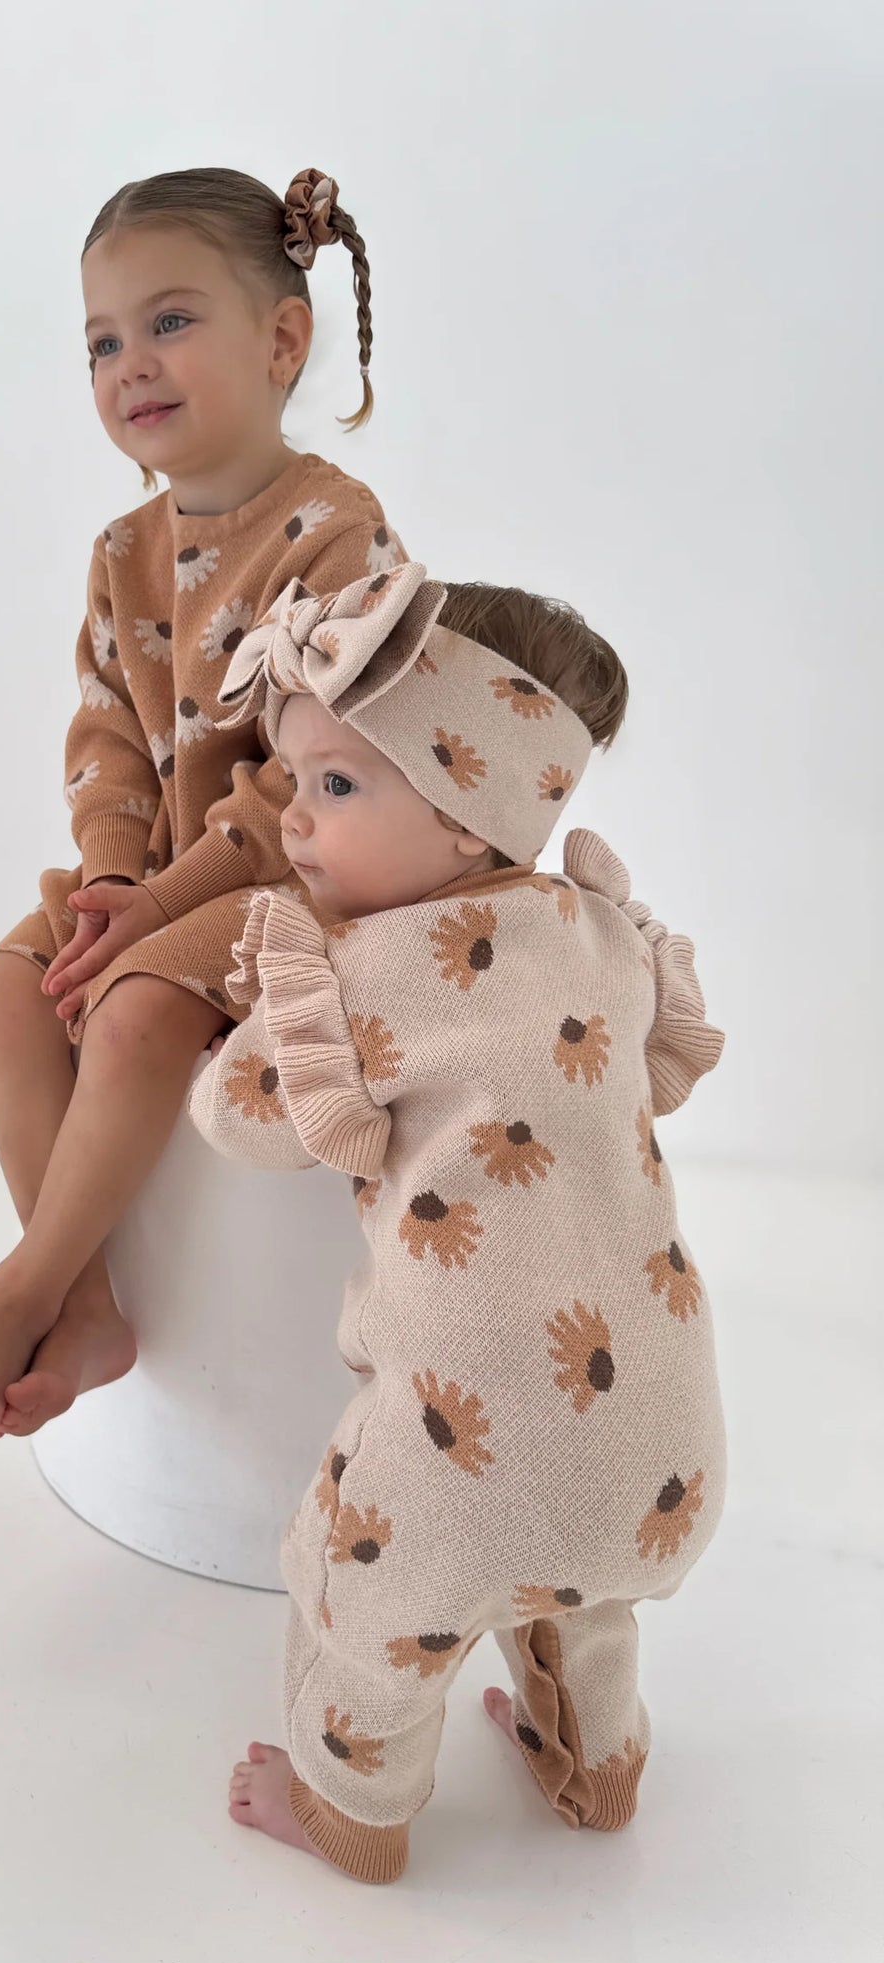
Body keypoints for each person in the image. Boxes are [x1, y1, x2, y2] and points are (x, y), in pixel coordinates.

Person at [189, 562, 725, 1882]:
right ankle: (599, 1765)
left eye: (336, 784)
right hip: (665, 1437)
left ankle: (350, 1812)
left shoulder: (368, 972)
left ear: (473, 817)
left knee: (363, 1603)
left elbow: (239, 1116)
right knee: (588, 1598)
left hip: (461, 1443)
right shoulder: (604, 937)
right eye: (296, 776)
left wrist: (257, 1011)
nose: (293, 819)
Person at [0, 166, 405, 1435]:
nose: (132, 364)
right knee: (6, 992)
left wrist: (165, 902)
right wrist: (116, 876)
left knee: (130, 1011)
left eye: (170, 321)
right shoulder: (123, 553)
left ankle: (21, 1285)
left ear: (281, 340)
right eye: (102, 343)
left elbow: (313, 768)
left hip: (302, 871)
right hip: (161, 878)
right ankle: (85, 1302)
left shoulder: (336, 533)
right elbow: (109, 733)